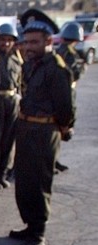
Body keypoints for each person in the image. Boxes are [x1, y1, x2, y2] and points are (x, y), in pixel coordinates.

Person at [8, 9, 74, 245]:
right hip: (26, 129)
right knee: (24, 182)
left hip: (45, 132)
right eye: (26, 42)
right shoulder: (31, 65)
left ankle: (37, 236)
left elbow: (65, 107)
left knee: (39, 183)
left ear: (48, 41)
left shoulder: (56, 68)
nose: (28, 47)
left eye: (34, 42)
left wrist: (62, 127)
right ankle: (30, 226)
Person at [0, 23, 22, 190]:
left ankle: (3, 172)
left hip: (12, 99)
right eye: (3, 40)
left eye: (9, 40)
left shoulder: (16, 60)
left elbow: (19, 82)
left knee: (9, 138)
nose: (6, 43)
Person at [54, 21, 85, 174]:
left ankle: (54, 159)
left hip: (61, 90)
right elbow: (74, 74)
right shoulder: (70, 54)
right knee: (62, 125)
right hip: (66, 90)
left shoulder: (59, 51)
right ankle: (52, 160)